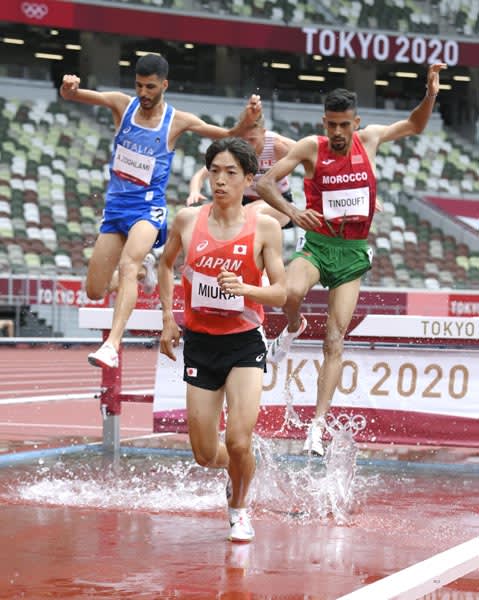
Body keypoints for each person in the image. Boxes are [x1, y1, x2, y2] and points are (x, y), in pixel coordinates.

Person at [256, 62, 447, 456]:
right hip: (318, 245)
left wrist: (430, 95)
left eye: (344, 125)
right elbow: (263, 182)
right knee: (287, 291)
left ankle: (317, 424)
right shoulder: (311, 147)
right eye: (331, 125)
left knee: (334, 339)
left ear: (355, 122)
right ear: (324, 123)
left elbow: (414, 125)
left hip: (352, 253)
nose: (338, 133)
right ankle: (292, 328)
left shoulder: (371, 139)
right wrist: (293, 213)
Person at [60, 53, 262, 369]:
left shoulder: (176, 121)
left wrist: (245, 122)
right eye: (139, 86)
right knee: (95, 289)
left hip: (147, 210)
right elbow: (75, 96)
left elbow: (225, 135)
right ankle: (145, 270)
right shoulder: (121, 105)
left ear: (164, 85)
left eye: (150, 87)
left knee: (127, 264)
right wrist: (69, 88)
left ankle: (112, 344)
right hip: (115, 209)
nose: (143, 93)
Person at [158, 137, 286, 542]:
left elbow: (281, 292)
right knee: (204, 453)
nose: (220, 179)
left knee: (238, 438)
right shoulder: (187, 219)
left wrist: (246, 290)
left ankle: (239, 508)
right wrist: (167, 318)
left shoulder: (264, 227)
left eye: (231, 172)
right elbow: (164, 265)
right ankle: (242, 466)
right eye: (214, 171)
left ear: (249, 179)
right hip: (200, 343)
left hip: (244, 342)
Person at [186, 114, 296, 228]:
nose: (247, 144)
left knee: (251, 213)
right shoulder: (236, 148)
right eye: (243, 139)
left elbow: (310, 155)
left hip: (277, 200)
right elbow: (201, 174)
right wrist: (195, 191)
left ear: (263, 132)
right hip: (244, 200)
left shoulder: (279, 145)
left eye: (252, 139)